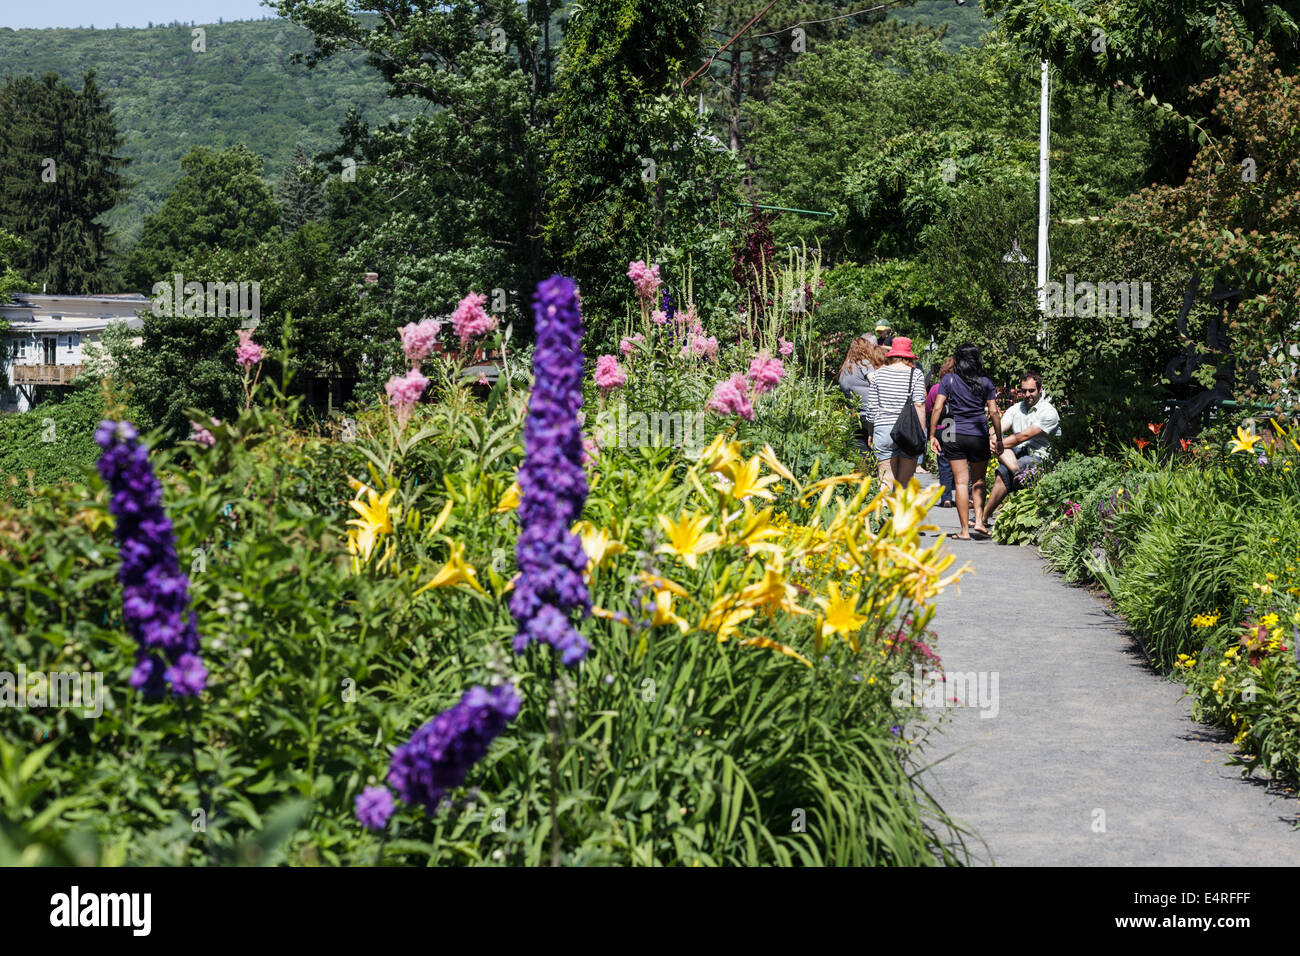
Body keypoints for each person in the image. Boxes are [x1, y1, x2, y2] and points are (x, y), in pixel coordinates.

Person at [929, 343, 1003, 540]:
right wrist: (999, 437)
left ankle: (964, 530)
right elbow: (994, 412)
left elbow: (937, 409)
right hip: (978, 433)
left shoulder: (948, 380)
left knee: (961, 483)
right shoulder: (985, 382)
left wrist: (932, 435)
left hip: (953, 432)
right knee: (978, 480)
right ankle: (979, 520)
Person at [983, 371, 1061, 525]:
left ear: (1040, 389)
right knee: (999, 440)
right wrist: (990, 436)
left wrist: (996, 442)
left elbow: (1024, 436)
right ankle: (1017, 473)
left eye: (1031, 391)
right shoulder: (1016, 408)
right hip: (1016, 454)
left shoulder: (1048, 411)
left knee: (1002, 472)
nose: (1027, 395)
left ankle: (983, 516)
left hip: (1039, 457)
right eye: (1023, 391)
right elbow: (1000, 428)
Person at [867, 336, 927, 491]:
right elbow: (919, 405)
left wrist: (870, 431)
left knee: (885, 480)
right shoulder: (916, 374)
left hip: (883, 429)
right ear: (908, 356)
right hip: (908, 431)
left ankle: (884, 514)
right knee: (904, 484)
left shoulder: (878, 374)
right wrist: (920, 433)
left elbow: (872, 407)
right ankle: (900, 514)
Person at [838, 335, 877, 465]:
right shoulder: (864, 364)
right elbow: (876, 382)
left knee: (861, 455)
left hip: (854, 416)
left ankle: (864, 481)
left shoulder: (845, 367)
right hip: (870, 415)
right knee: (877, 455)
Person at [926, 357, 957, 506]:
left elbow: (929, 409)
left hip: (942, 427)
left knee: (944, 462)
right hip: (958, 426)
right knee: (963, 461)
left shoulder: (935, 388)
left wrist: (931, 434)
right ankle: (969, 496)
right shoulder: (962, 387)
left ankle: (946, 497)